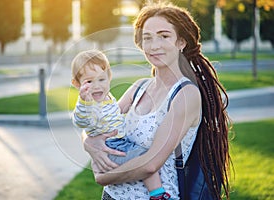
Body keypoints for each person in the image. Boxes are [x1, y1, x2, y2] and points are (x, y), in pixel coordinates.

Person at [82, 2, 232, 200]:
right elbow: (99, 124)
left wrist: (104, 176)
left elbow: (151, 163)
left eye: (164, 36)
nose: (154, 46)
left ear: (181, 42)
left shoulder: (186, 95)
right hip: (111, 196)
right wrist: (87, 142)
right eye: (147, 38)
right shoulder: (138, 88)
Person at [71, 49, 174, 199]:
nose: (97, 86)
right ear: (76, 83)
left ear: (109, 77)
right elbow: (81, 121)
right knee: (145, 158)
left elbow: (115, 115)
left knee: (144, 157)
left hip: (121, 143)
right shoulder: (87, 105)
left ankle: (157, 193)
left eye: (101, 79)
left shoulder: (107, 97)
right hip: (112, 148)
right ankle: (158, 194)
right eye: (89, 81)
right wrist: (85, 102)